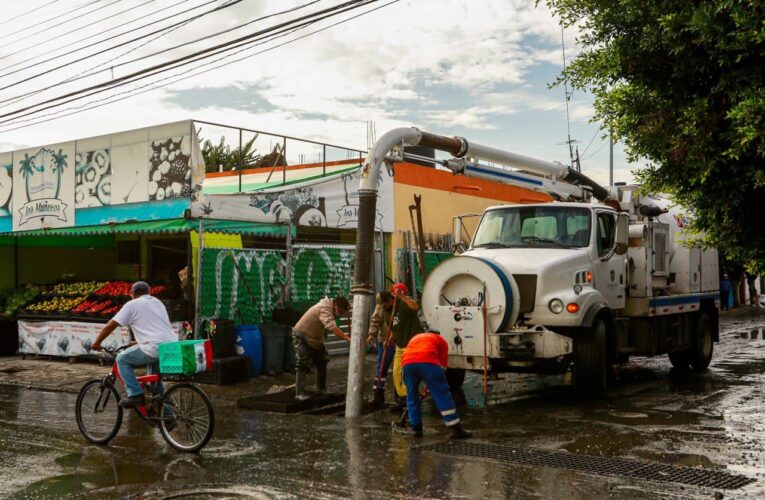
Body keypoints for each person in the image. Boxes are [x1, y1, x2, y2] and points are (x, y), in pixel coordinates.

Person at [91, 281, 178, 408]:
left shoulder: (132, 304)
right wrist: (137, 342)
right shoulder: (157, 302)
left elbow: (111, 325)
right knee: (155, 387)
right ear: (149, 292)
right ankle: (167, 419)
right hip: (171, 346)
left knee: (122, 359)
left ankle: (135, 395)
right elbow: (156, 329)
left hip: (154, 347)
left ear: (132, 294)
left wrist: (97, 343)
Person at [401, 331, 471, 439]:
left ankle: (416, 429)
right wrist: (434, 383)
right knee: (441, 394)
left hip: (407, 364)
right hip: (428, 363)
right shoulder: (441, 340)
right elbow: (443, 365)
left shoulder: (415, 337)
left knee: (412, 396)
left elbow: (408, 353)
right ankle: (455, 428)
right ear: (437, 334)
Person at [292, 296, 351, 401]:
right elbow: (332, 328)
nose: (341, 314)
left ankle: (321, 389)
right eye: (340, 311)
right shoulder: (324, 308)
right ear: (335, 305)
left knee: (322, 361)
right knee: (302, 363)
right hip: (302, 335)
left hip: (316, 338)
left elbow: (352, 307)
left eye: (343, 312)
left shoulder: (336, 306)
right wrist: (347, 338)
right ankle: (299, 393)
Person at [389, 283, 424, 411]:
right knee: (396, 373)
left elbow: (415, 307)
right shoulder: (392, 308)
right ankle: (402, 398)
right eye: (395, 292)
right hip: (400, 344)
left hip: (411, 344)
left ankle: (410, 399)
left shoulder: (406, 303)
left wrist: (402, 297)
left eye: (399, 292)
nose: (396, 295)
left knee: (407, 373)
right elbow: (394, 327)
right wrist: (389, 339)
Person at [367, 291, 396, 409]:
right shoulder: (380, 305)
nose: (384, 307)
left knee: (400, 369)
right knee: (382, 367)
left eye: (385, 304)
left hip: (398, 340)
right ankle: (378, 396)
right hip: (384, 340)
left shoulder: (400, 305)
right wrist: (371, 335)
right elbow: (375, 320)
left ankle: (401, 397)